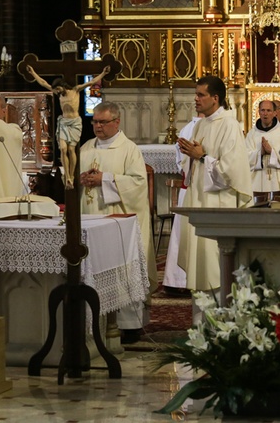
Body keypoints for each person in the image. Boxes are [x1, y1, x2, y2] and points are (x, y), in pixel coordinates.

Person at [79, 101, 157, 341]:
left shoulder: (129, 149)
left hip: (119, 222)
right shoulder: (85, 148)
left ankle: (129, 324)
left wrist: (106, 179)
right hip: (91, 218)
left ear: (117, 122)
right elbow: (73, 180)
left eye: (103, 122)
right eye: (95, 122)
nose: (98, 127)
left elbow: (137, 183)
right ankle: (96, 322)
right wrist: (81, 178)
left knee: (122, 268)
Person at [177, 76, 252, 297]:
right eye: (196, 94)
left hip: (218, 204)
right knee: (201, 265)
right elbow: (193, 168)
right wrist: (190, 155)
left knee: (216, 266)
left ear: (216, 98)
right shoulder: (200, 124)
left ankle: (220, 321)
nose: (196, 98)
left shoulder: (230, 125)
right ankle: (201, 327)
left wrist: (201, 156)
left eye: (201, 94)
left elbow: (232, 172)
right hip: (199, 200)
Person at [27, 65, 110, 189]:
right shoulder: (59, 94)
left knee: (71, 150)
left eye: (59, 89)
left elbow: (91, 82)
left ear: (62, 85)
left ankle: (72, 175)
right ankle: (67, 177)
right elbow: (43, 83)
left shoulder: (75, 90)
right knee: (63, 149)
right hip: (64, 123)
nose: (57, 91)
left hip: (74, 123)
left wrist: (103, 73)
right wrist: (33, 73)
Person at [163, 112, 203, 292]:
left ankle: (178, 281)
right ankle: (180, 280)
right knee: (184, 233)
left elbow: (180, 163)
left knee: (184, 232)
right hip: (195, 188)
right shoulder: (192, 128)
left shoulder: (188, 128)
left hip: (195, 187)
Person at [245, 100, 280, 201]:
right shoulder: (251, 135)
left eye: (269, 110)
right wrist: (260, 153)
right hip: (256, 184)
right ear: (259, 112)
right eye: (263, 110)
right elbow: (244, 158)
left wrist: (271, 152)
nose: (265, 113)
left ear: (275, 113)